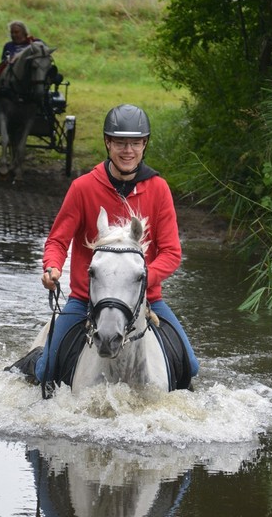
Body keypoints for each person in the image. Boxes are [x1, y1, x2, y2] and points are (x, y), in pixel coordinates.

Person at [34, 103, 199, 389]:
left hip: (146, 299)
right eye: (120, 143)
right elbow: (58, 240)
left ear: (144, 145)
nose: (128, 151)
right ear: (108, 143)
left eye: (135, 143)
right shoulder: (83, 187)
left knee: (191, 366)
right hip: (87, 300)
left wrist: (142, 279)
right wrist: (52, 267)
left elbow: (171, 253)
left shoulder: (159, 189)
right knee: (45, 368)